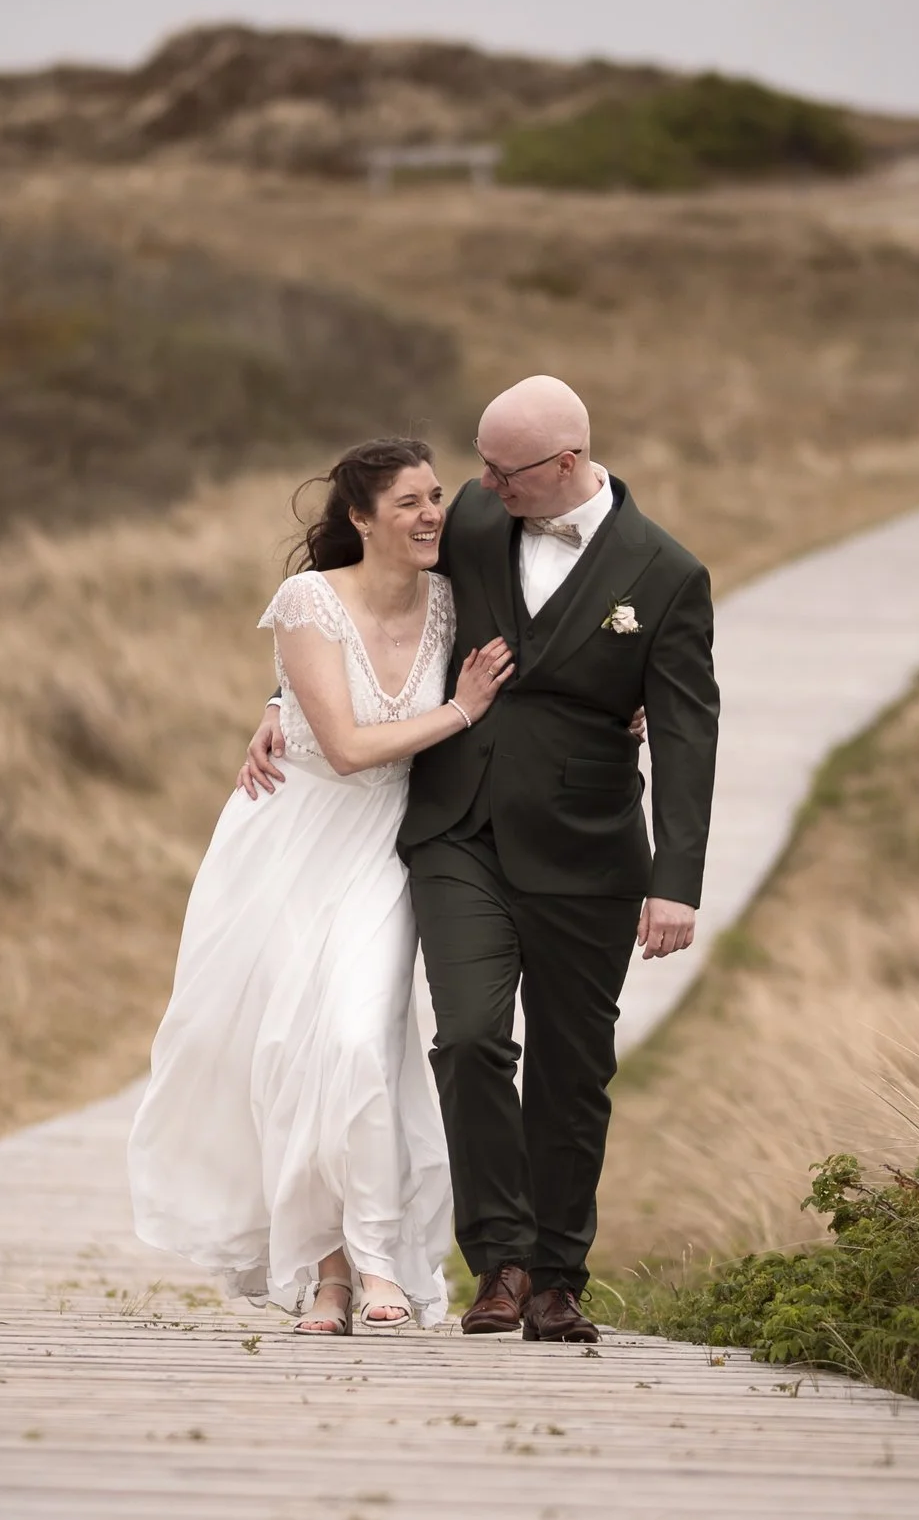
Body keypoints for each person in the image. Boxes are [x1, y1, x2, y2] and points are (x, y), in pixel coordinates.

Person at [243, 376, 719, 1343]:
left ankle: (558, 1277)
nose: (482, 485)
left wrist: (678, 880)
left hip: (589, 851)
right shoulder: (470, 515)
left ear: (569, 463)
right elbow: (350, 580)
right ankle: (495, 1262)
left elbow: (686, 731)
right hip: (457, 830)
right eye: (482, 463)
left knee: (572, 1069)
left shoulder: (666, 574)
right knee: (465, 1039)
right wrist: (278, 702)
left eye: (505, 470)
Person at [129, 437, 514, 1334]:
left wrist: (628, 709)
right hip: (290, 839)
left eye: (437, 497)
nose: (431, 515)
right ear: (360, 517)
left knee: (355, 1040)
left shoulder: (454, 599)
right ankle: (327, 1274)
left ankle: (382, 1263)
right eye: (410, 502)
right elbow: (340, 744)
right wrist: (457, 709)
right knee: (290, 1051)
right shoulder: (308, 599)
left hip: (389, 842)